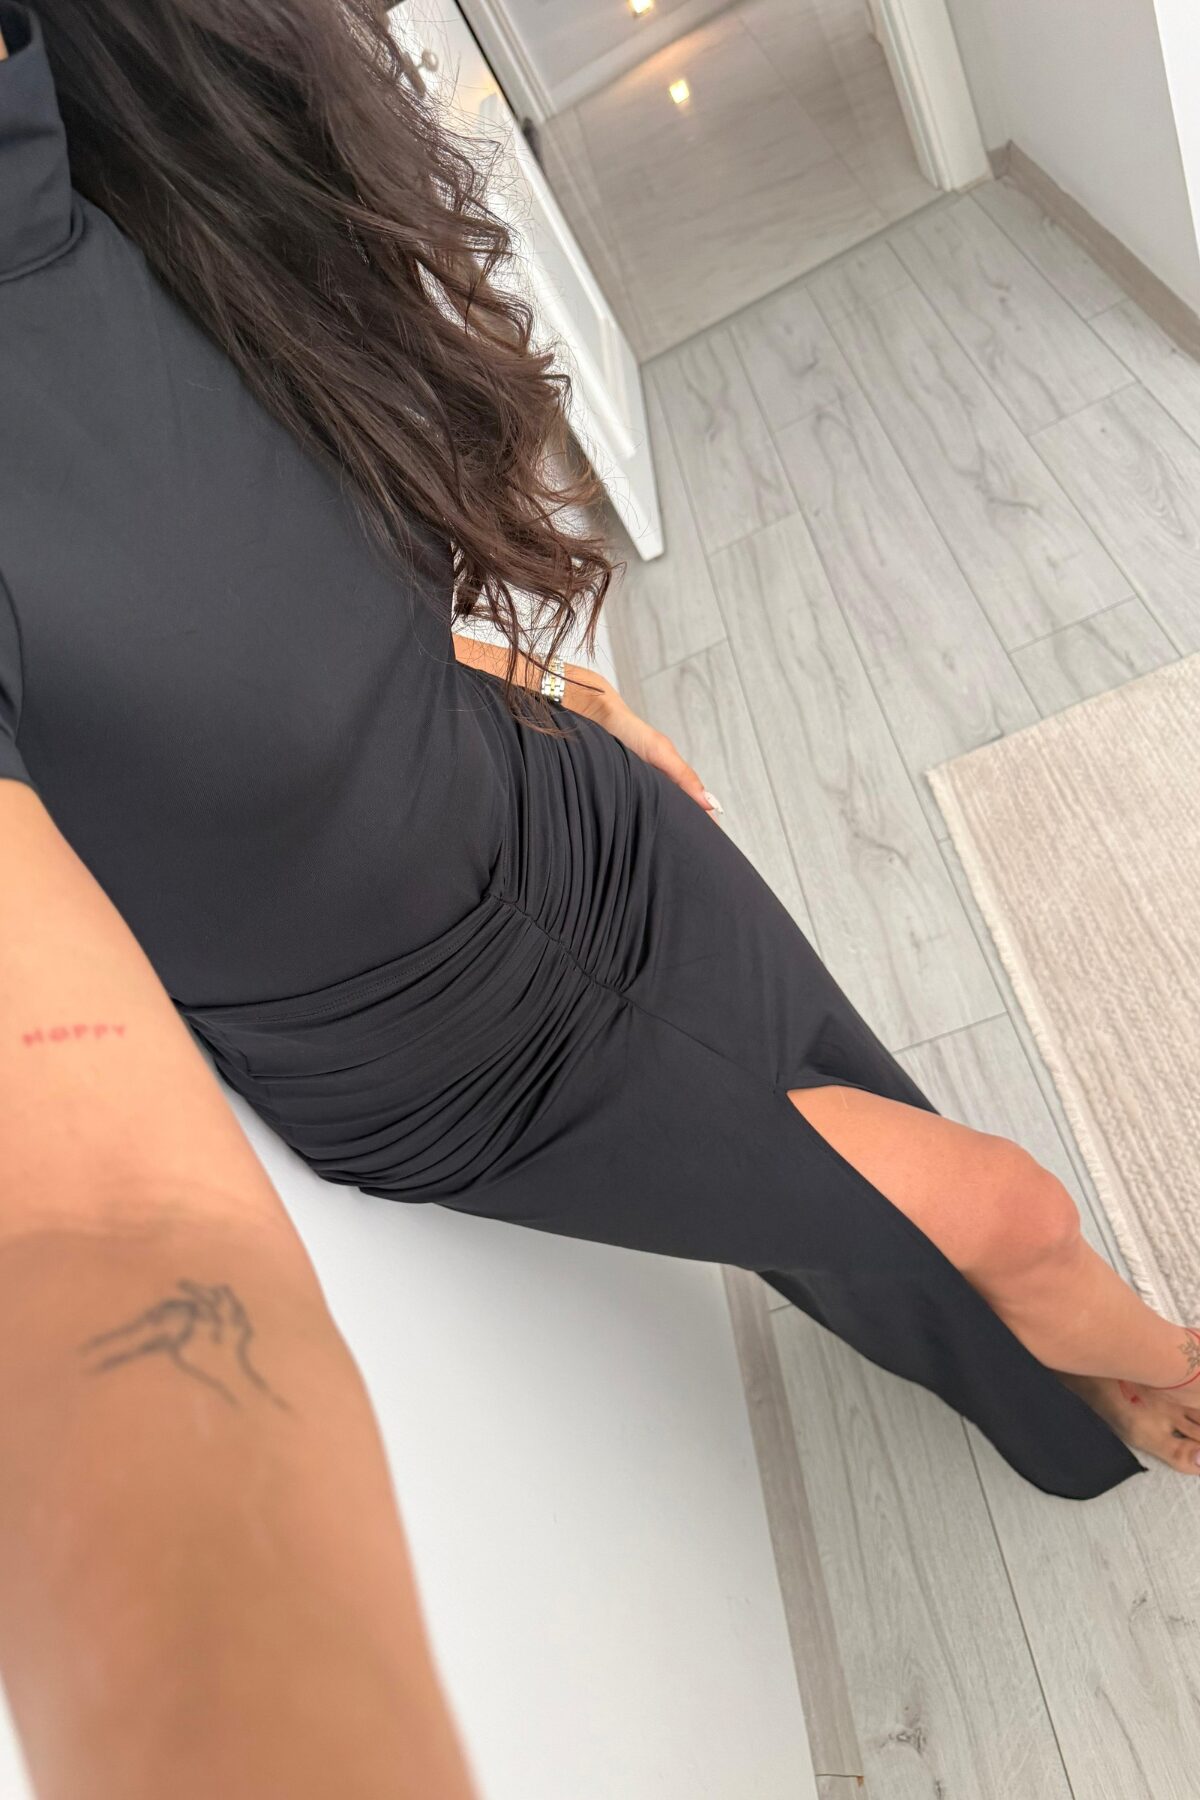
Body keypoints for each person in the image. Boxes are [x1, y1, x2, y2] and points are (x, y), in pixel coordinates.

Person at [2, 0, 1199, 1791]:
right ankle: (1165, 1363)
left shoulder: (83, 165)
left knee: (852, 1107)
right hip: (454, 1047)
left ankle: (1064, 1415)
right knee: (1003, 1209)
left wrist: (522, 673)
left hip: (554, 807)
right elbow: (103, 1221)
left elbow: (251, 578)